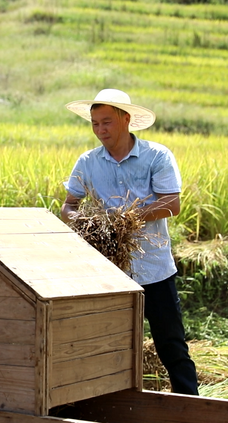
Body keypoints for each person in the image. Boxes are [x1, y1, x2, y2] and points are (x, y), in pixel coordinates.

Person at [61, 89, 198, 395]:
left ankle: (191, 405)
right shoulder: (87, 162)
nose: (100, 130)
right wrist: (83, 222)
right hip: (108, 273)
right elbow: (69, 205)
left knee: (171, 345)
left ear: (127, 119)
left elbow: (171, 203)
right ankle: (113, 404)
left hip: (155, 270)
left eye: (106, 122)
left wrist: (128, 217)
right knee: (109, 346)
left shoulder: (157, 156)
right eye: (95, 124)